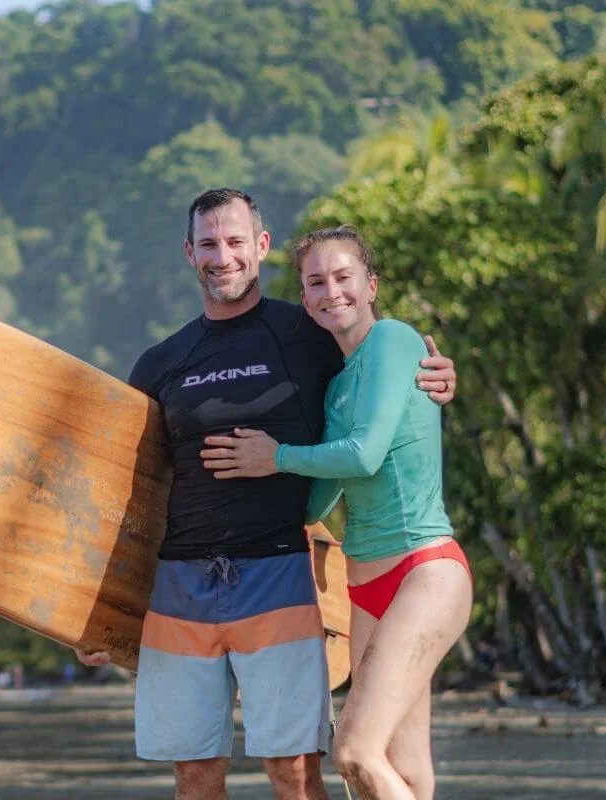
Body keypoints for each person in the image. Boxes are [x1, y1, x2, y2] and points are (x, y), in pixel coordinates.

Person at [77, 190, 457, 800]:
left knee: (295, 770)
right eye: (208, 243)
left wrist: (436, 376)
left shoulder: (308, 333)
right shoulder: (161, 361)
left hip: (280, 571)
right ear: (189, 253)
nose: (221, 256)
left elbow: (377, 384)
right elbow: (127, 491)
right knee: (195, 774)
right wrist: (90, 609)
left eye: (234, 241)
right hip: (179, 585)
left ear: (260, 247)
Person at [199, 225, 473, 800]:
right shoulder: (337, 386)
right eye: (315, 282)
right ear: (304, 297)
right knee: (407, 766)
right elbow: (323, 496)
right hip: (364, 584)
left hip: (424, 569)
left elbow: (366, 454)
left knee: (353, 751)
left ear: (370, 284)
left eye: (343, 277)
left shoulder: (395, 341)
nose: (331, 293)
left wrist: (275, 457)